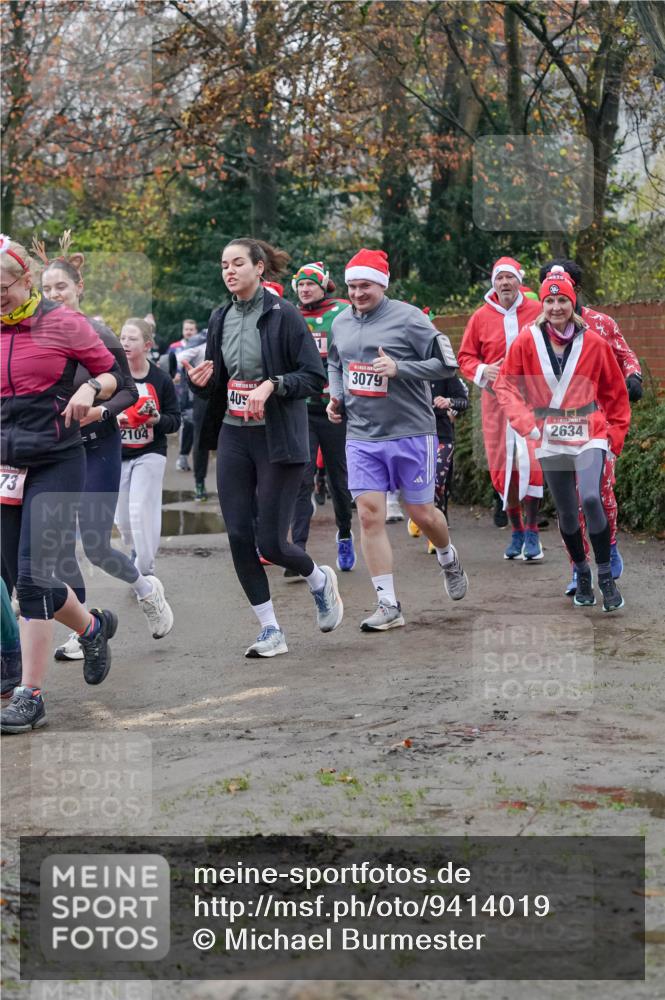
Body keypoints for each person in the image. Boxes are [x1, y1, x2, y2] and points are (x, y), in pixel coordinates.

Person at [186, 237, 343, 658]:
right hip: (235, 433)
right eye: (224, 265)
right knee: (239, 535)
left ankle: (318, 579)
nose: (229, 271)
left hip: (277, 437)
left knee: (272, 544)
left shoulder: (284, 315)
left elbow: (313, 376)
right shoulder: (220, 316)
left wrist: (273, 385)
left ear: (259, 268)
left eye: (238, 263)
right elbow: (216, 380)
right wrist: (198, 382)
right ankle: (271, 629)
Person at [0, 236, 121, 733]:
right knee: (26, 581)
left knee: (32, 579)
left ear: (24, 279)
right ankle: (93, 628)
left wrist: (92, 387)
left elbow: (116, 375)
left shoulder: (63, 323)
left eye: (2, 286)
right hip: (5, 468)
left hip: (55, 460)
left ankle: (30, 695)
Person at [37, 240, 174, 651]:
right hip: (58, 452)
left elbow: (129, 392)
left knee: (94, 545)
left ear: (79, 287)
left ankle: (146, 588)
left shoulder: (97, 333)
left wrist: (101, 410)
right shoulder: (35, 337)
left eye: (61, 287)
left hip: (98, 447)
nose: (53, 296)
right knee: (62, 550)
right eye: (46, 290)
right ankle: (82, 631)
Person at [326, 247, 468, 631]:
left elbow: (448, 364)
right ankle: (388, 604)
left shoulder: (410, 319)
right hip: (361, 434)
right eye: (352, 286)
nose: (357, 293)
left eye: (365, 286)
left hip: (410, 431)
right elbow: (335, 363)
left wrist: (400, 368)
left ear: (382, 285)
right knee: (370, 515)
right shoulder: (339, 322)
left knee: (421, 513)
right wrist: (335, 396)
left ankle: (447, 556)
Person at [494, 267, 630, 612]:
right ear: (542, 304)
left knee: (591, 498)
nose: (556, 307)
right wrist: (526, 422)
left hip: (590, 430)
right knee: (568, 513)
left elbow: (616, 393)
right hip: (549, 432)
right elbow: (506, 384)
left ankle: (605, 576)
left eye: (563, 300)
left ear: (573, 302)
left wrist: (614, 436)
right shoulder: (527, 340)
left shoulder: (595, 343)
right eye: (550, 300)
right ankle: (581, 572)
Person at [538, 259, 643, 594]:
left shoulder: (601, 324)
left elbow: (626, 355)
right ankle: (577, 570)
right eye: (549, 287)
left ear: (575, 289)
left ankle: (608, 545)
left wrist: (633, 376)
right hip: (557, 426)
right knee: (569, 504)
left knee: (597, 495)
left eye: (563, 285)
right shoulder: (538, 331)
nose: (556, 298)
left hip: (598, 420)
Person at [458, 257, 543, 560]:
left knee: (532, 465)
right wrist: (483, 370)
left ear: (519, 281)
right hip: (495, 404)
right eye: (499, 279)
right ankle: (516, 530)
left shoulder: (538, 311)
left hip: (531, 401)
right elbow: (465, 357)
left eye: (509, 278)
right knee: (502, 469)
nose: (504, 283)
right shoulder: (480, 317)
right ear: (493, 284)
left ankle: (533, 532)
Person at [286, 261, 355, 578]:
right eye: (300, 285)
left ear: (323, 285)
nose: (304, 289)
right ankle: (298, 549)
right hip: (301, 407)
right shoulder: (291, 314)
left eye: (310, 284)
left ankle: (344, 533)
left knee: (339, 480)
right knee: (301, 477)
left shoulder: (341, 311)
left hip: (334, 409)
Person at [115, 319, 181, 605]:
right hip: (118, 456)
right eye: (122, 338)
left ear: (147, 345)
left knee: (140, 508)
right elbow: (96, 410)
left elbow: (174, 421)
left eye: (132, 339)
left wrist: (155, 419)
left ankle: (146, 572)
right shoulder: (113, 376)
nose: (126, 343)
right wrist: (112, 417)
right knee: (123, 519)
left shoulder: (160, 379)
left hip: (150, 452)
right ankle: (136, 553)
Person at [169, 319, 199, 471]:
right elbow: (167, 367)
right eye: (186, 329)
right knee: (185, 424)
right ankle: (182, 457)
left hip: (195, 392)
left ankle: (188, 457)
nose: (188, 332)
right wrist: (172, 376)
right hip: (177, 392)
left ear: (196, 331)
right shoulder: (174, 347)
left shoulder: (200, 346)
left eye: (191, 329)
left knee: (191, 423)